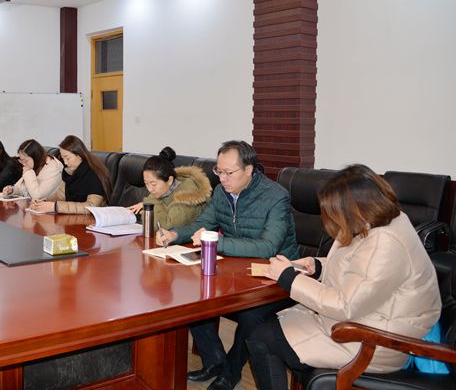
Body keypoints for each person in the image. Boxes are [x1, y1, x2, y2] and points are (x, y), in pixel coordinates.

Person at [246, 165, 441, 390]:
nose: (332, 217)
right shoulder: (379, 221)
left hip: (372, 341)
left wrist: (289, 278)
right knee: (263, 330)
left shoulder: (384, 242)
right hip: (361, 322)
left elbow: (346, 305)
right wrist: (317, 266)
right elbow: (358, 267)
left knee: (264, 340)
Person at [156, 140, 298, 390]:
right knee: (192, 296)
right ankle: (215, 362)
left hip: (275, 278)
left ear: (249, 170)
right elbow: (202, 224)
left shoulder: (276, 197)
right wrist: (175, 234)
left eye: (229, 172)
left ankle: (231, 373)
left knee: (251, 314)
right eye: (218, 171)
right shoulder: (222, 192)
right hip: (237, 271)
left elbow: (267, 248)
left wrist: (218, 242)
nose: (222, 178)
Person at [126, 147, 212, 228]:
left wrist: (149, 205)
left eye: (153, 184)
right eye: (146, 183)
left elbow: (166, 227)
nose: (150, 189)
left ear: (170, 180)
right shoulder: (163, 190)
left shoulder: (187, 194)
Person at [29, 135, 112, 214]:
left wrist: (55, 207)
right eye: (63, 158)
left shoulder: (93, 174)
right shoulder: (70, 173)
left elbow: (91, 206)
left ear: (79, 156)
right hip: (74, 219)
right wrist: (43, 202)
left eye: (68, 158)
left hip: (93, 221)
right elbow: (59, 197)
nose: (65, 162)